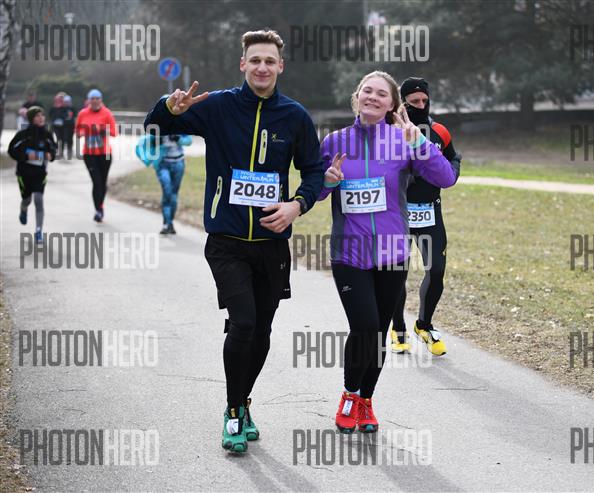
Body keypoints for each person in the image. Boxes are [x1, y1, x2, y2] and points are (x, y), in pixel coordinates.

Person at [144, 29, 323, 454]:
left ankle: (243, 402)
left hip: (272, 243)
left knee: (262, 329)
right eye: (254, 60)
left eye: (269, 61)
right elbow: (158, 126)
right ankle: (232, 411)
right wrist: (168, 107)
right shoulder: (219, 106)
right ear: (243, 64)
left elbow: (314, 170)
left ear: (280, 66)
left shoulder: (294, 116)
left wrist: (297, 205)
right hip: (226, 240)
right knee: (243, 322)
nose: (262, 67)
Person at [318, 71, 457, 434]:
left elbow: (446, 177)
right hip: (349, 253)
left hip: (392, 253)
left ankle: (366, 400)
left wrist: (419, 142)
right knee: (364, 327)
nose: (373, 97)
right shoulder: (335, 141)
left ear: (393, 105)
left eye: (382, 94)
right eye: (367, 91)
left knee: (379, 331)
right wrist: (326, 182)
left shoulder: (404, 141)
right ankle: (349, 395)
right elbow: (314, 191)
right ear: (357, 97)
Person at [390, 77, 462, 356]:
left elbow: (454, 157)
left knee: (437, 270)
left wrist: (453, 172)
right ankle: (398, 329)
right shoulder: (391, 131)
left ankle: (424, 324)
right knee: (397, 273)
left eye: (424, 100)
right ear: (403, 102)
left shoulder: (439, 130)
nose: (421, 105)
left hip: (431, 211)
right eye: (414, 101)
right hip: (399, 213)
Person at [7, 106, 56, 243]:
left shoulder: (47, 134)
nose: (41, 118)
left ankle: (39, 231)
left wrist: (50, 155)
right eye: (37, 116)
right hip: (24, 173)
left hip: (40, 173)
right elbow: (11, 150)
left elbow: (53, 150)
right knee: (27, 200)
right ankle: (23, 209)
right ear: (31, 118)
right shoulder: (23, 134)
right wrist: (26, 156)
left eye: (42, 115)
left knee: (39, 199)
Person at [135, 133, 192, 234]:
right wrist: (156, 141)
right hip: (163, 164)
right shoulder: (160, 126)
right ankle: (167, 224)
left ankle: (170, 222)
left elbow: (189, 140)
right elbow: (145, 141)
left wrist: (178, 139)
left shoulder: (179, 125)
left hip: (178, 164)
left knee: (174, 195)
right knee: (167, 192)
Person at [75, 89, 117, 222]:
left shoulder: (107, 113)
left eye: (97, 98)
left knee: (103, 182)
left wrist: (101, 129)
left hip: (105, 153)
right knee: (96, 182)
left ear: (101, 100)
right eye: (92, 99)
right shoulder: (82, 113)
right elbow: (77, 131)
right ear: (88, 100)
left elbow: (114, 132)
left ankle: (100, 206)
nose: (94, 101)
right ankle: (98, 210)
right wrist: (84, 131)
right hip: (89, 154)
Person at [48, 93, 68, 160]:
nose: (59, 101)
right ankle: (55, 151)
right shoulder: (53, 108)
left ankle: (61, 153)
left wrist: (61, 118)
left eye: (60, 100)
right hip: (55, 126)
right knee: (56, 139)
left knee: (62, 139)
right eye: (57, 100)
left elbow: (66, 116)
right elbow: (50, 116)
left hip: (63, 126)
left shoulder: (64, 108)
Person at [61, 95, 77, 160]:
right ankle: (61, 152)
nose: (67, 103)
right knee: (63, 138)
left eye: (68, 102)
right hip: (64, 126)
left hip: (71, 125)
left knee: (70, 139)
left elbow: (76, 117)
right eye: (66, 102)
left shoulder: (73, 108)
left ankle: (70, 151)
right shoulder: (62, 109)